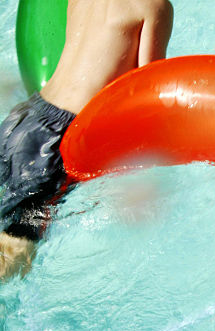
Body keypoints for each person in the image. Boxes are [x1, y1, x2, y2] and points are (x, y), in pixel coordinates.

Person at [0, 0, 174, 281]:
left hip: (25, 118)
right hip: (56, 138)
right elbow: (147, 92)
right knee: (18, 243)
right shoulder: (154, 7)